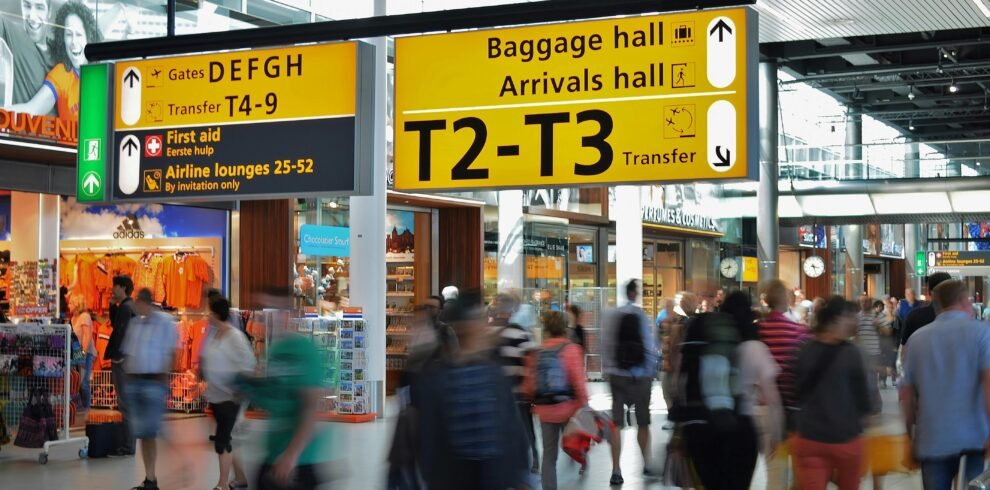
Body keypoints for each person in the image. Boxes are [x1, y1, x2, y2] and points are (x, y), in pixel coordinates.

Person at [410, 293, 527, 489]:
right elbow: (428, 437)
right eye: (478, 320)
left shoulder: (492, 373)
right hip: (456, 478)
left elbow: (511, 427)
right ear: (464, 327)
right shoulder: (437, 378)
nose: (484, 325)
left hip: (489, 477)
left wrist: (518, 475)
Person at [678, 291, 782, 490]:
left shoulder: (708, 338)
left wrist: (680, 431)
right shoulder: (754, 347)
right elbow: (772, 397)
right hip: (741, 428)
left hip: (702, 426)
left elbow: (682, 381)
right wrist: (776, 434)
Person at [901, 280, 990, 490]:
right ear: (964, 300)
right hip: (974, 437)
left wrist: (909, 437)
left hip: (932, 439)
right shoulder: (982, 333)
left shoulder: (917, 339)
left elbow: (906, 394)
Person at [792, 296, 874, 490]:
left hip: (810, 437)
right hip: (845, 439)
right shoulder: (851, 353)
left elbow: (796, 392)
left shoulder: (805, 350)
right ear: (836, 320)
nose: (854, 322)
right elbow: (863, 398)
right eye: (850, 317)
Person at [238, 324, 332, 489]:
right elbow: (273, 398)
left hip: (299, 460)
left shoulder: (305, 350)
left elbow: (309, 409)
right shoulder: (274, 350)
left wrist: (291, 455)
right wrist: (249, 389)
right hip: (273, 453)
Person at [523, 311, 589, 490]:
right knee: (576, 441)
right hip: (569, 409)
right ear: (565, 328)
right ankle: (583, 461)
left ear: (546, 329)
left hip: (545, 411)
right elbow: (579, 383)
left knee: (549, 455)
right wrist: (585, 406)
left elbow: (529, 386)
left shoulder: (537, 353)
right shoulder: (572, 349)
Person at [601, 279, 658, 485]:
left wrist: (608, 370)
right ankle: (647, 464)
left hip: (617, 376)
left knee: (617, 424)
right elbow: (649, 345)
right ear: (635, 293)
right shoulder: (640, 316)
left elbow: (606, 344)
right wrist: (650, 372)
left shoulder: (611, 315)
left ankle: (616, 470)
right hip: (640, 377)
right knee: (643, 423)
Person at [121, 289, 178, 490]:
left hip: (154, 382)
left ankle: (182, 465)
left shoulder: (165, 322)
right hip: (136, 383)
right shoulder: (135, 324)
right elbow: (129, 352)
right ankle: (150, 478)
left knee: (154, 431)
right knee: (144, 434)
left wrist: (164, 379)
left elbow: (172, 352)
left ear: (145, 302)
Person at [9, 1, 100, 120]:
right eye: (68, 34)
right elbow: (31, 109)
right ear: (63, 39)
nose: (73, 42)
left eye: (79, 34)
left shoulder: (102, 73)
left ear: (89, 37)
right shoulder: (62, 74)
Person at [201, 294, 256, 490]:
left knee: (222, 440)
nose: (207, 316)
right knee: (228, 438)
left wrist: (239, 391)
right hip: (216, 395)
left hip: (231, 397)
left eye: (210, 312)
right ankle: (240, 478)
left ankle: (222, 483)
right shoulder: (213, 335)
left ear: (216, 314)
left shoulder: (235, 337)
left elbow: (249, 364)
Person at [758, 280, 809, 490]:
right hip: (794, 407)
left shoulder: (758, 330)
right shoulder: (797, 330)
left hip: (767, 409)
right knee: (800, 471)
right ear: (785, 299)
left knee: (775, 472)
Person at [492, 293, 539, 475]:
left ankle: (507, 463)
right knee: (526, 428)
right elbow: (531, 359)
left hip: (497, 394)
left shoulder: (487, 333)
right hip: (519, 392)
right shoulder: (520, 332)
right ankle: (533, 459)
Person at [0, 0, 53, 106]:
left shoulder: (61, 51)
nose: (32, 17)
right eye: (27, 6)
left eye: (39, 7)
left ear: (49, 12)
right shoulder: (12, 33)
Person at [107, 274, 136, 456]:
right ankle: (128, 444)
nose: (112, 289)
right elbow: (116, 325)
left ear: (123, 287)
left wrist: (118, 357)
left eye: (115, 286)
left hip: (123, 359)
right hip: (128, 359)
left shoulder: (126, 308)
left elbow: (120, 332)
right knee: (126, 402)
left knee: (124, 403)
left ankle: (127, 445)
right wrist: (112, 305)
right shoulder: (128, 306)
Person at [900, 273, 953, 365]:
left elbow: (904, 353)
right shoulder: (965, 319)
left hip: (922, 370)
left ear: (929, 292)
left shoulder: (914, 316)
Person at [69, 294, 97, 409]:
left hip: (86, 352)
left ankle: (86, 408)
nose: (68, 305)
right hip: (77, 352)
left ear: (77, 305)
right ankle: (80, 407)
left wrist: (83, 354)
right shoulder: (73, 318)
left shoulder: (85, 316)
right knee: (77, 381)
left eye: (71, 303)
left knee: (83, 382)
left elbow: (87, 336)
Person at [855, 295, 883, 389]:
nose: (864, 303)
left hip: (874, 352)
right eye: (862, 302)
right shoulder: (857, 317)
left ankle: (873, 396)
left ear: (870, 303)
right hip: (861, 352)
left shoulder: (877, 315)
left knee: (872, 379)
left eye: (866, 301)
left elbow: (887, 332)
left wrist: (879, 326)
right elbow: (854, 335)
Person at [876, 300, 897, 388]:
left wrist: (896, 343)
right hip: (882, 342)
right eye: (888, 307)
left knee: (893, 362)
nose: (889, 309)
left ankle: (894, 380)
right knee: (882, 362)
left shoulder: (896, 318)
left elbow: (897, 332)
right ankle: (882, 380)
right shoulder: (882, 317)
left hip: (892, 342)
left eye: (891, 307)